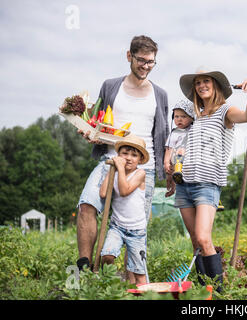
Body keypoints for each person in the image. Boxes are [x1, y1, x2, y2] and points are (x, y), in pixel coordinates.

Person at [76, 35, 173, 272]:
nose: (146, 66)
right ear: (129, 56)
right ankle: (85, 267)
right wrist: (88, 131)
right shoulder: (110, 86)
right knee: (86, 205)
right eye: (141, 60)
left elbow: (164, 134)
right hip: (110, 159)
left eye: (151, 62)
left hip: (144, 167)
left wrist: (167, 171)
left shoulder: (159, 94)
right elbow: (97, 119)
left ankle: (132, 283)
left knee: (135, 225)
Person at [176, 67, 247, 292]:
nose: (201, 86)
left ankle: (218, 293)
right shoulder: (194, 116)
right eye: (198, 83)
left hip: (206, 184)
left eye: (206, 82)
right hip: (184, 185)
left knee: (203, 238)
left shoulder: (225, 111)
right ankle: (205, 293)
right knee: (195, 242)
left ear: (216, 86)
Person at [99, 135, 149, 285]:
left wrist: (119, 168)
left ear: (140, 160)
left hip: (136, 231)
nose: (128, 158)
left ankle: (145, 295)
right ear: (117, 155)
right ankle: (111, 284)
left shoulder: (140, 174)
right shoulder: (115, 172)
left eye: (134, 155)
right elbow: (103, 193)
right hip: (117, 227)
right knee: (107, 255)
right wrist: (112, 170)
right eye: (125, 154)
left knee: (139, 273)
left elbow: (124, 190)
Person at [164, 100, 195, 184]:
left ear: (191, 117)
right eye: (176, 116)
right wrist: (166, 162)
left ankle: (179, 175)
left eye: (183, 116)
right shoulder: (174, 133)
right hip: (177, 159)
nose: (179, 119)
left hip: (190, 161)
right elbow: (168, 149)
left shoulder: (194, 130)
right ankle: (177, 174)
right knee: (179, 152)